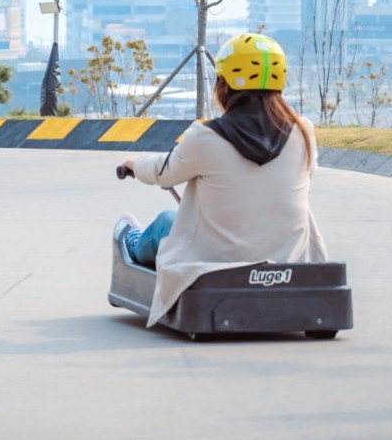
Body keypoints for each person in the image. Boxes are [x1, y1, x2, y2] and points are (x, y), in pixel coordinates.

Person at [116, 33, 328, 327]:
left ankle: (131, 240)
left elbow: (163, 172)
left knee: (166, 221)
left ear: (224, 85)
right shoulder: (303, 132)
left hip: (215, 261)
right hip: (287, 256)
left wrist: (134, 165)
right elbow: (308, 172)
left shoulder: (206, 137)